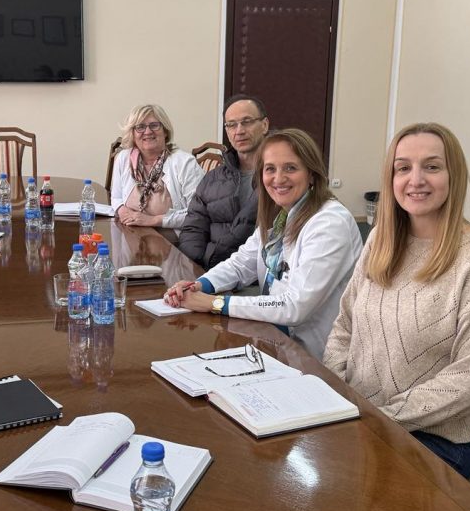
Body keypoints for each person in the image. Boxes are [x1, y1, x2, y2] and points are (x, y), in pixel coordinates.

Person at [322, 122, 470, 480]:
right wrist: (337, 392)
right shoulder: (381, 236)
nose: (416, 179)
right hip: (358, 415)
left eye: (432, 166)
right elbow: (344, 324)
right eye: (403, 168)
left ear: (453, 175)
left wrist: (379, 417)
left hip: (433, 437)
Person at [164, 128, 363, 357]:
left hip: (316, 360)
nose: (278, 179)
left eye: (291, 168)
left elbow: (294, 307)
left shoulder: (329, 223)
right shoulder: (279, 215)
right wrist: (199, 285)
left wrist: (215, 303)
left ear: (312, 174)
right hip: (274, 342)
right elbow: (242, 263)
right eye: (270, 169)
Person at [178, 93, 270, 268]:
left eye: (247, 121)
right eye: (231, 125)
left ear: (264, 125)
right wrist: (197, 268)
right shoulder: (212, 178)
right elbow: (193, 228)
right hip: (209, 272)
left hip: (256, 276)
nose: (239, 131)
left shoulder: (279, 180)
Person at [110, 104, 204, 233]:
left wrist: (152, 220)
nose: (148, 132)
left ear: (165, 131)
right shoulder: (124, 158)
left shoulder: (185, 163)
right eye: (140, 127)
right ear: (132, 133)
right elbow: (116, 197)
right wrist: (122, 210)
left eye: (154, 125)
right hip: (131, 233)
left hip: (172, 239)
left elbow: (198, 213)